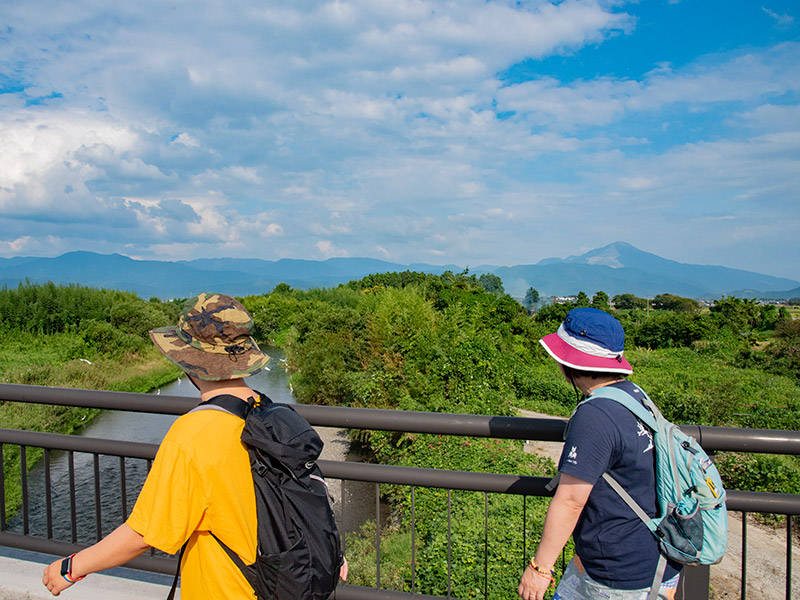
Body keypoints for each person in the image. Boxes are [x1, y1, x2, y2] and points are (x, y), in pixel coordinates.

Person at [43, 292, 347, 598]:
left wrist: (71, 568)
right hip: (280, 587)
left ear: (190, 364)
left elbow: (143, 533)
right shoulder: (270, 413)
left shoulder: (193, 435)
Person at [518, 307, 681, 600]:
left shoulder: (595, 414)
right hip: (652, 561)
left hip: (619, 576)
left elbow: (570, 501)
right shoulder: (634, 395)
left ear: (567, 361)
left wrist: (540, 569)